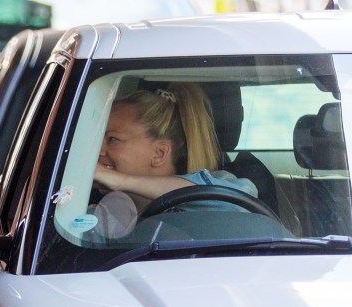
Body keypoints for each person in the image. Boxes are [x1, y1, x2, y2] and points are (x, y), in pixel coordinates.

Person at [87, 83, 258, 239]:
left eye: (112, 139)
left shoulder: (221, 183)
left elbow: (237, 204)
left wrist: (121, 181)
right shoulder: (92, 209)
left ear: (160, 153)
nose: (97, 151)